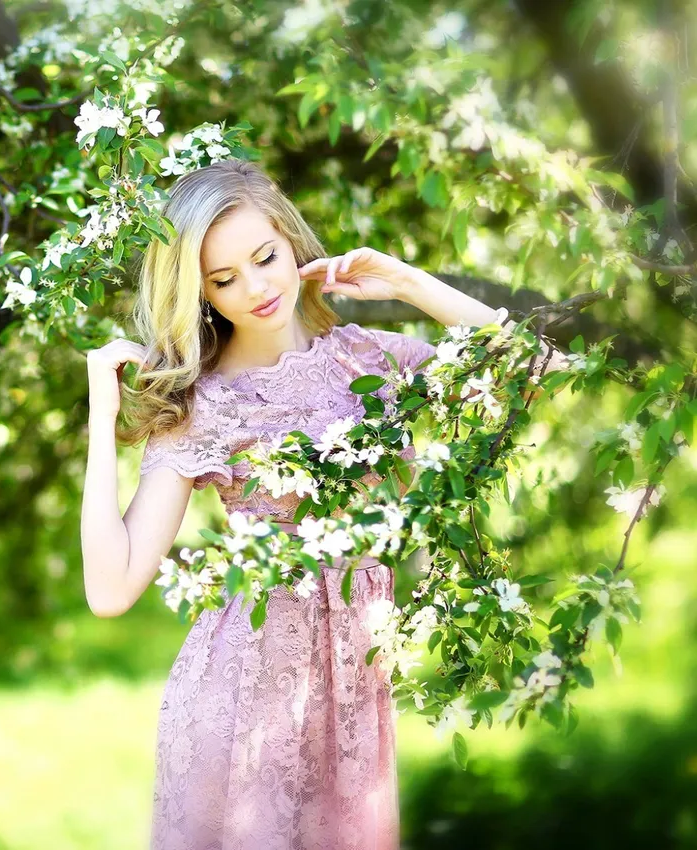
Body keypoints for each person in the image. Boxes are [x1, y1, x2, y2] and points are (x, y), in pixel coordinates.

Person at [79, 158, 556, 849]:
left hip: (354, 689)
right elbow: (110, 590)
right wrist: (102, 411)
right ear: (199, 292)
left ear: (290, 240)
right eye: (223, 279)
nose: (255, 288)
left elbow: (538, 371)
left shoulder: (372, 362)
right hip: (243, 696)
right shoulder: (203, 404)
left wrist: (409, 283)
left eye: (265, 258)